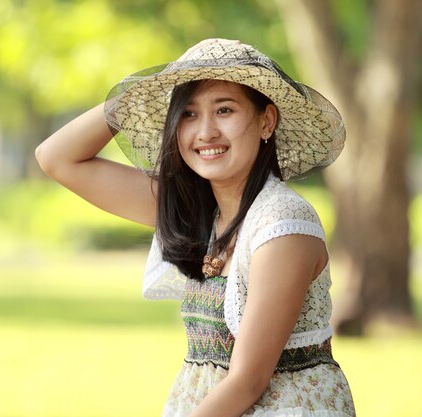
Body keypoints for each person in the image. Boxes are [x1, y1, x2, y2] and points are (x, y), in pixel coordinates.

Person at [35, 38, 355, 417]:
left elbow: (248, 381)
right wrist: (138, 97)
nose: (205, 132)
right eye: (188, 114)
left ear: (266, 121)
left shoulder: (284, 225)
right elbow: (56, 158)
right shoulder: (198, 209)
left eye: (224, 110)